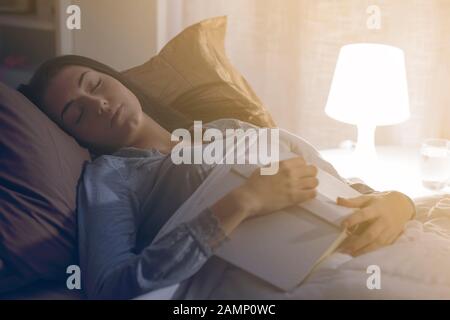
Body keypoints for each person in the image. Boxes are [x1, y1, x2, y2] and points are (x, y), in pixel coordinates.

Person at [18, 55, 416, 300]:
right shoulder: (110, 179)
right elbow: (109, 287)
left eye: (96, 85)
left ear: (115, 78)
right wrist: (242, 202)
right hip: (287, 280)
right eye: (77, 113)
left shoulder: (227, 127)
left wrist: (399, 203)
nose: (100, 104)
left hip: (374, 242)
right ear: (71, 136)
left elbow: (351, 188)